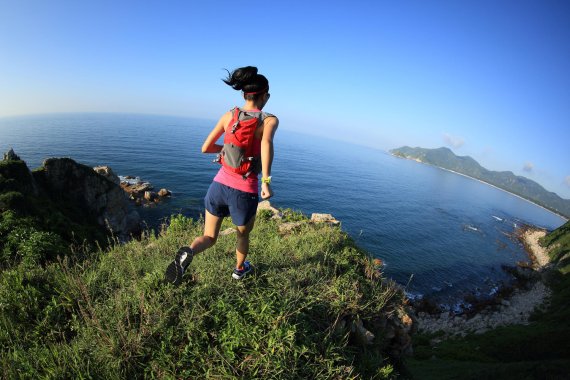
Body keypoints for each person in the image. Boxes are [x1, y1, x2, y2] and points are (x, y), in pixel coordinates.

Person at [165, 66, 278, 285]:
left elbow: (205, 147)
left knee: (209, 237)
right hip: (244, 191)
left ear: (245, 94)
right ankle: (239, 270)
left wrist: (225, 150)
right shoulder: (268, 120)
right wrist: (266, 181)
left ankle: (187, 253)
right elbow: (266, 144)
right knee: (242, 235)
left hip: (217, 187)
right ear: (265, 95)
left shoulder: (229, 115)